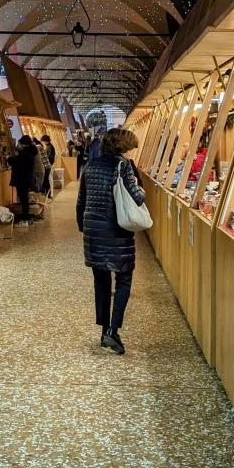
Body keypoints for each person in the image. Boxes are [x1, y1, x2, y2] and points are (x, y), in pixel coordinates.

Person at [76, 128, 145, 355]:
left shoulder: (92, 165)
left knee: (102, 282)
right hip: (117, 231)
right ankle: (113, 331)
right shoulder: (124, 166)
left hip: (94, 232)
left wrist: (84, 228)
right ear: (122, 146)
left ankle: (104, 330)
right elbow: (137, 196)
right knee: (123, 279)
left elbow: (81, 201)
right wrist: (138, 180)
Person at [8, 135, 40, 222]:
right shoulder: (31, 152)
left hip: (22, 179)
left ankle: (25, 217)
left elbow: (17, 162)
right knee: (24, 198)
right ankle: (25, 216)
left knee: (23, 199)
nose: (19, 145)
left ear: (23, 144)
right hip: (27, 178)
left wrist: (9, 158)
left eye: (19, 144)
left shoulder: (25, 153)